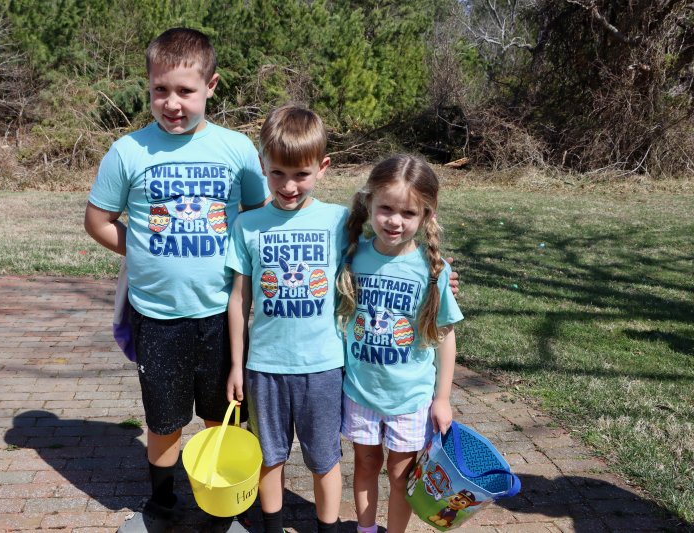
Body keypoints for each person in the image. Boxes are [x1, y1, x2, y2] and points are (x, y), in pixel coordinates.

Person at [84, 28, 269, 533]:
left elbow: (258, 221)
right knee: (164, 423)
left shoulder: (237, 149)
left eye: (185, 91)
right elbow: (98, 221)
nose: (172, 103)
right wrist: (142, 249)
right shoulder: (128, 151)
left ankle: (222, 508)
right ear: (148, 85)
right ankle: (163, 509)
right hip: (157, 317)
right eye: (160, 90)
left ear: (212, 85)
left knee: (222, 416)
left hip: (223, 316)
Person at [225, 105, 346, 533]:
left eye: (301, 174)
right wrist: (237, 364)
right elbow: (239, 299)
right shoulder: (248, 225)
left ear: (322, 167)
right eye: (277, 173)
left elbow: (390, 250)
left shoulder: (340, 221)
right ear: (263, 165)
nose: (289, 186)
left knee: (324, 460)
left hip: (323, 368)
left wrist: (438, 272)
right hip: (265, 368)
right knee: (268, 457)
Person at [335, 154, 463, 533]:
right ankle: (365, 529)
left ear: (426, 215)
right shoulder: (352, 257)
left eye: (408, 213)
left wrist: (442, 398)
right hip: (360, 390)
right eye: (386, 209)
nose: (395, 221)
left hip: (410, 397)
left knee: (399, 473)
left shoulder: (433, 269)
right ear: (369, 203)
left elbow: (445, 336)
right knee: (365, 465)